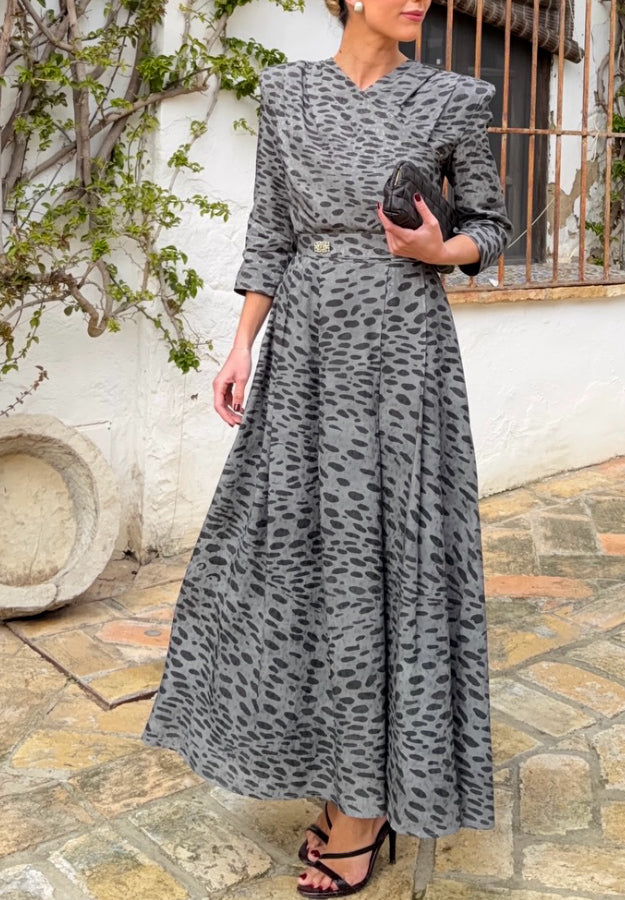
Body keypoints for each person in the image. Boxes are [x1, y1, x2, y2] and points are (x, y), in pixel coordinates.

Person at [141, 0, 512, 896]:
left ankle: (366, 808)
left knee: (393, 563)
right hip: (306, 357)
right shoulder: (288, 92)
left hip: (404, 358)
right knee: (303, 561)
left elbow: (491, 230)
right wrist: (241, 345)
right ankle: (342, 770)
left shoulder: (455, 98)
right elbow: (271, 227)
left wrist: (441, 248)